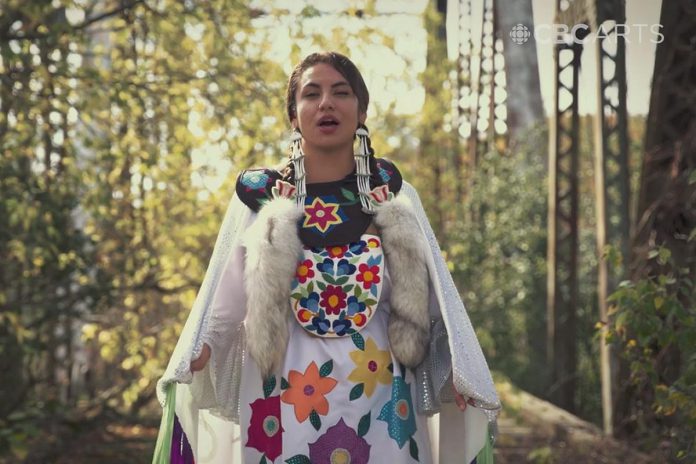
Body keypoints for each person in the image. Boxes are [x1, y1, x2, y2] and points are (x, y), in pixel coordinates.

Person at [152, 51, 500, 464]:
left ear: (362, 110)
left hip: (382, 394)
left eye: (341, 92)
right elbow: (225, 301)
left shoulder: (394, 199)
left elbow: (433, 304)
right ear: (294, 116)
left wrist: (454, 370)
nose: (326, 103)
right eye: (311, 94)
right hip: (281, 395)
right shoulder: (261, 202)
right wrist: (200, 350)